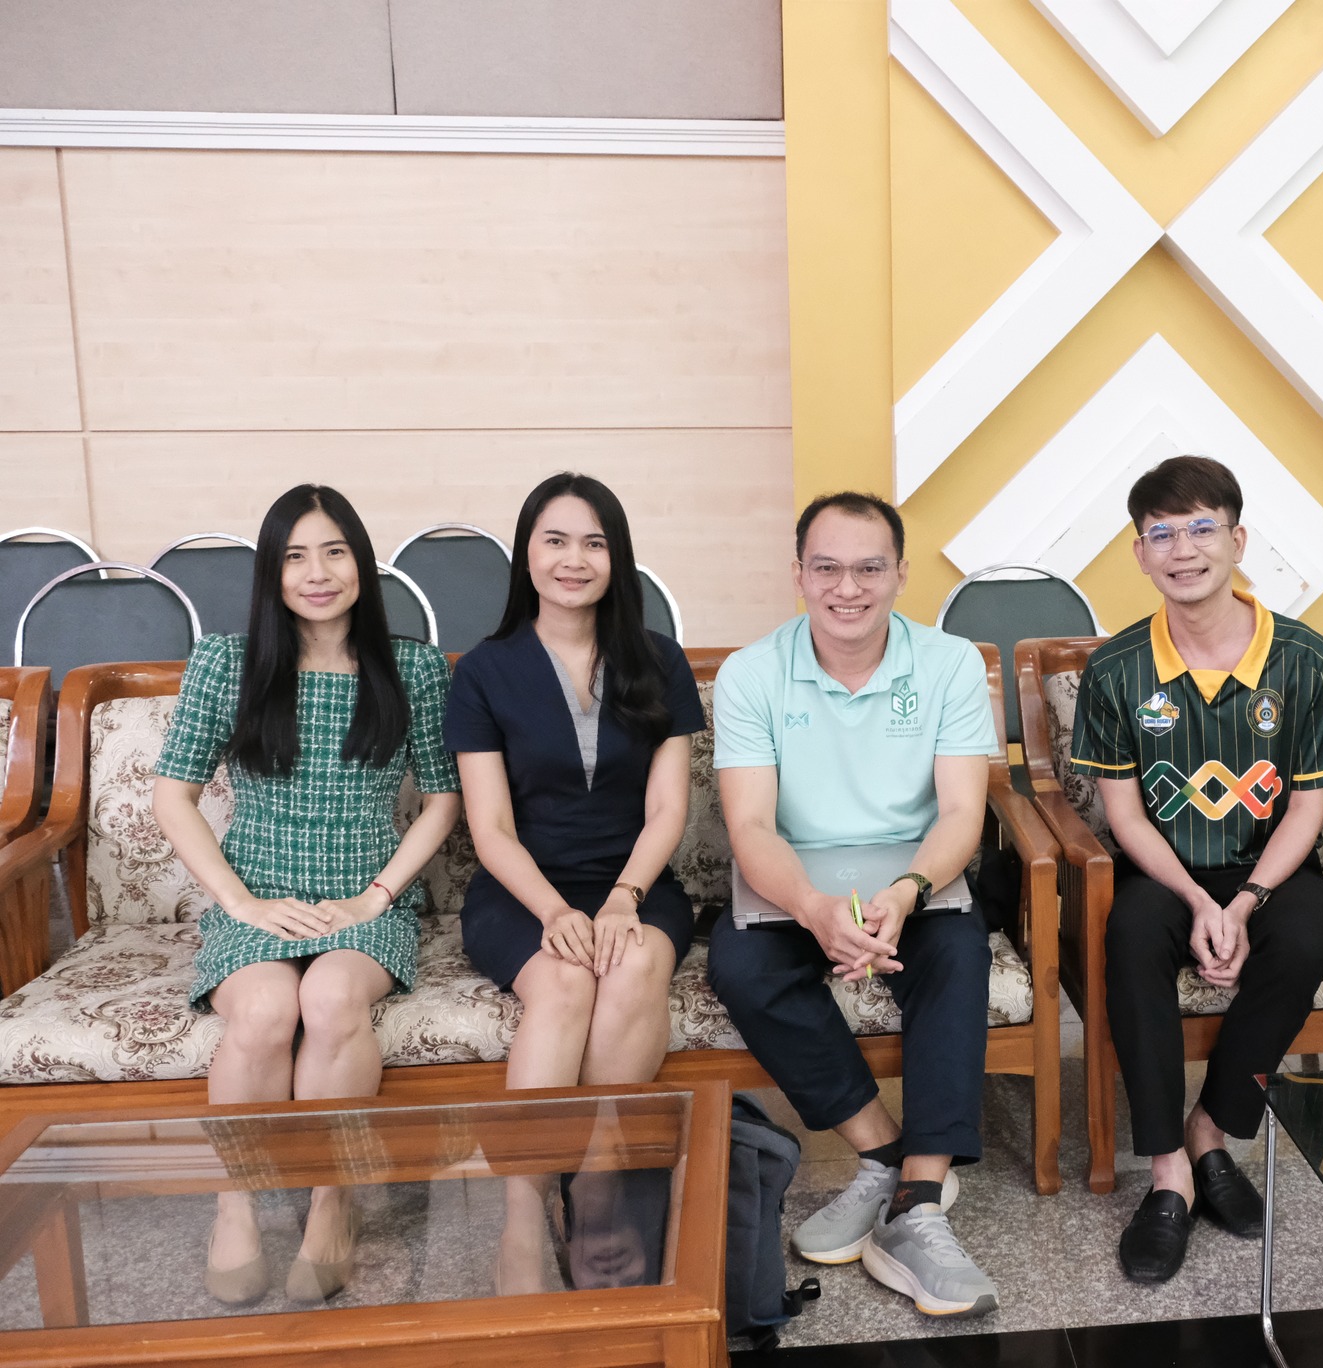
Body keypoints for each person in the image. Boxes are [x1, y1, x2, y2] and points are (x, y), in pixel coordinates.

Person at [153, 484, 461, 1307]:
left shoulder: (414, 668)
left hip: (365, 901)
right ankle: (236, 1207)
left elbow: (443, 798)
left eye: (334, 552)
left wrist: (376, 897)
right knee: (262, 1012)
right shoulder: (227, 661)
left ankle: (333, 1202)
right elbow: (173, 794)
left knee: (329, 1000)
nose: (317, 573)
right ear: (272, 572)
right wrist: (241, 904)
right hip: (259, 895)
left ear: (361, 562)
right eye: (295, 557)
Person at [1069, 456, 1323, 1284]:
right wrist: (1200, 900)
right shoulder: (1116, 669)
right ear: (1139, 554)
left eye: (1202, 528)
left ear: (1238, 540)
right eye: (1161, 534)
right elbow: (1125, 816)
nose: (1183, 549)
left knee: (1303, 936)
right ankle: (1169, 1171)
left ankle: (1213, 1131)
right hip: (1165, 872)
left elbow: (1308, 805)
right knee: (1131, 935)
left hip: (1272, 868)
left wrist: (1248, 899)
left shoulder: (1303, 658)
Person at [708, 492, 1000, 1319]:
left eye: (870, 568)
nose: (848, 588)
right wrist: (811, 906)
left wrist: (908, 890)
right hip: (796, 880)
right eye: (827, 568)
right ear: (798, 574)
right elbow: (751, 826)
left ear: (900, 573)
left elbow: (961, 813)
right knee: (743, 965)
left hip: (914, 875)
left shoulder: (949, 664)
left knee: (958, 953)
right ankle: (884, 1155)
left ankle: (918, 1205)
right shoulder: (752, 673)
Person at [444, 472, 703, 1292]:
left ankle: (595, 1188)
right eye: (555, 540)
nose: (574, 559)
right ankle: (524, 1211)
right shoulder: (483, 671)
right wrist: (555, 910)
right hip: (523, 889)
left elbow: (668, 809)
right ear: (526, 555)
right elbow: (490, 828)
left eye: (594, 542)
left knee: (632, 965)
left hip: (636, 881)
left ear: (616, 557)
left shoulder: (659, 660)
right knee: (561, 983)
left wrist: (625, 897)